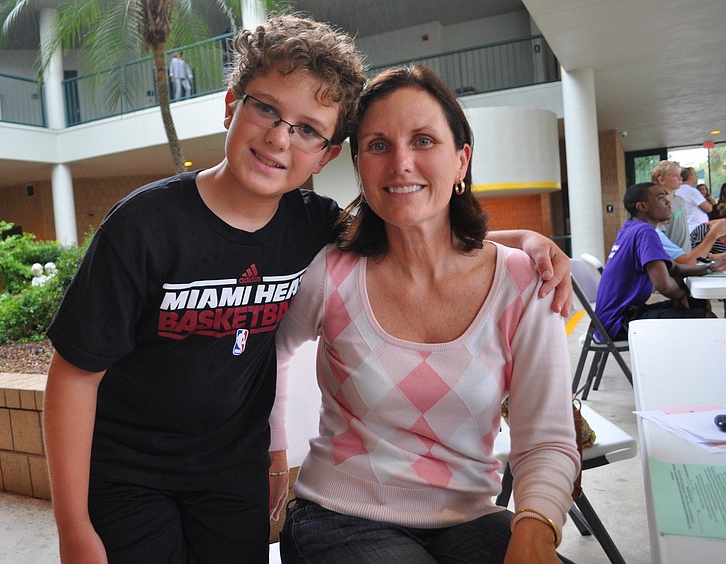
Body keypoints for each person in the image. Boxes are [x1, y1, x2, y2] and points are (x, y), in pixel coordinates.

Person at [43, 16, 571, 564]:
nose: (278, 137)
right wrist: (72, 527)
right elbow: (74, 376)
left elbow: (417, 227)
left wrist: (525, 240)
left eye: (307, 129)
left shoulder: (310, 226)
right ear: (231, 105)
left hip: (230, 478)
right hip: (130, 472)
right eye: (265, 109)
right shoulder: (146, 228)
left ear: (326, 154)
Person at [272, 65, 580, 564]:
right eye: (378, 145)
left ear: (462, 160)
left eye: (423, 141)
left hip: (470, 517)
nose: (401, 164)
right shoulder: (331, 273)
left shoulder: (524, 283)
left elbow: (546, 437)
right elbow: (269, 352)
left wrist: (535, 525)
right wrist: (274, 452)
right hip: (338, 514)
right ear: (358, 164)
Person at [594, 182, 725, 341]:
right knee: (706, 319)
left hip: (611, 319)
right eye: (661, 198)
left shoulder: (631, 227)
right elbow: (663, 285)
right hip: (618, 322)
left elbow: (673, 267)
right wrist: (680, 294)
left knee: (697, 306)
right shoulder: (645, 232)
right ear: (642, 206)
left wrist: (711, 267)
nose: (668, 201)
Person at [652, 160, 690, 252]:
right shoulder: (658, 204)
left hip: (687, 254)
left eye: (680, 175)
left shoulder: (680, 200)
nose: (680, 179)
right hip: (672, 258)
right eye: (675, 176)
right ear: (661, 180)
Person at [675, 167, 712, 232]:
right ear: (690, 176)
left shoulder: (676, 190)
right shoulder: (691, 191)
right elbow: (708, 208)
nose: (697, 176)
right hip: (697, 228)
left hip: (685, 228)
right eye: (695, 174)